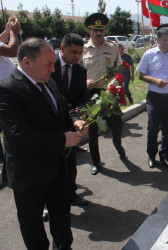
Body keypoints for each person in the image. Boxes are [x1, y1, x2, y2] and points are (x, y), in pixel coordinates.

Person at [0, 38, 86, 250]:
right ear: (27, 62)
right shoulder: (8, 89)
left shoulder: (48, 80)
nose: (53, 68)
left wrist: (74, 119)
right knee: (33, 227)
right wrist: (62, 140)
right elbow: (19, 135)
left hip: (55, 168)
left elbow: (64, 105)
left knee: (62, 219)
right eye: (48, 64)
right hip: (28, 174)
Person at [80, 13, 126, 175]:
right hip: (91, 94)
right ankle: (96, 162)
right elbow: (77, 72)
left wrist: (114, 82)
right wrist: (85, 82)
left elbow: (118, 68)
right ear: (89, 31)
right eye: (95, 30)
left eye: (102, 30)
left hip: (109, 93)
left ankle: (118, 144)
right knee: (93, 130)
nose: (99, 33)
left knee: (116, 125)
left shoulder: (112, 47)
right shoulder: (83, 49)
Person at [137, 27, 168, 169]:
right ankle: (152, 155)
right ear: (157, 40)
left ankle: (165, 155)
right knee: (153, 128)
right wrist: (155, 81)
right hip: (155, 98)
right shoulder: (149, 54)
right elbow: (141, 75)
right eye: (165, 40)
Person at [50, 33, 89, 206]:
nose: (77, 57)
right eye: (73, 52)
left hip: (71, 123)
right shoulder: (49, 66)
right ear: (62, 48)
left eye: (80, 53)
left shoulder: (81, 71)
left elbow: (82, 95)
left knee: (70, 162)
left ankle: (71, 193)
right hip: (49, 124)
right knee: (49, 165)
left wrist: (80, 107)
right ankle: (47, 202)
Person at [0, 16, 20, 181]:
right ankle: (9, 170)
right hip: (4, 93)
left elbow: (1, 40)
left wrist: (7, 30)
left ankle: (5, 169)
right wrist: (14, 32)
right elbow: (12, 51)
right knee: (10, 132)